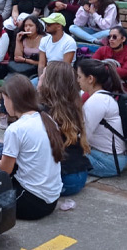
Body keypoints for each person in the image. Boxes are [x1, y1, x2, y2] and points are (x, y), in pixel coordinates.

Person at [0, 75, 63, 219]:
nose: (4, 104)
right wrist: (4, 145)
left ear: (12, 99)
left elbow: (4, 169)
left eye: (4, 99)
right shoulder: (47, 119)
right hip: (51, 198)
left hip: (31, 202)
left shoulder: (16, 129)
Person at [38, 61, 91, 196]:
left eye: (42, 76)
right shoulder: (74, 108)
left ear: (49, 84)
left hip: (63, 179)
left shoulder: (43, 113)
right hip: (80, 175)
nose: (39, 77)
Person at [76, 59, 127, 177]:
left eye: (79, 77)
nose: (77, 80)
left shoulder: (97, 100)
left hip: (109, 162)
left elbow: (84, 138)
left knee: (59, 157)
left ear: (90, 79)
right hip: (113, 157)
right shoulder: (104, 96)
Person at [38, 13, 77, 78]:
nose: (46, 26)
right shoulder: (44, 40)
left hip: (62, 78)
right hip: (46, 75)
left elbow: (65, 68)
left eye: (49, 24)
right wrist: (41, 79)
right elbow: (41, 64)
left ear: (59, 26)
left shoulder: (69, 42)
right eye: (46, 23)